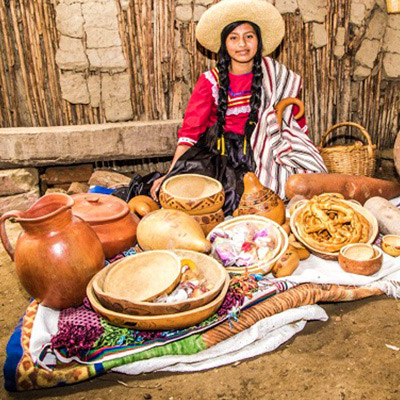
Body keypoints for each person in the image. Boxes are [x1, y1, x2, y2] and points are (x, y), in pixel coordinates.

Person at [149, 0, 327, 214]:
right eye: (234, 38)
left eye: (249, 36)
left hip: (268, 151)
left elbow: (294, 120)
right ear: (225, 44)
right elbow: (190, 133)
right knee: (209, 201)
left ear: (258, 41)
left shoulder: (277, 77)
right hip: (222, 159)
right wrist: (171, 172)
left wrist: (307, 148)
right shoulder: (210, 82)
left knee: (303, 186)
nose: (242, 44)